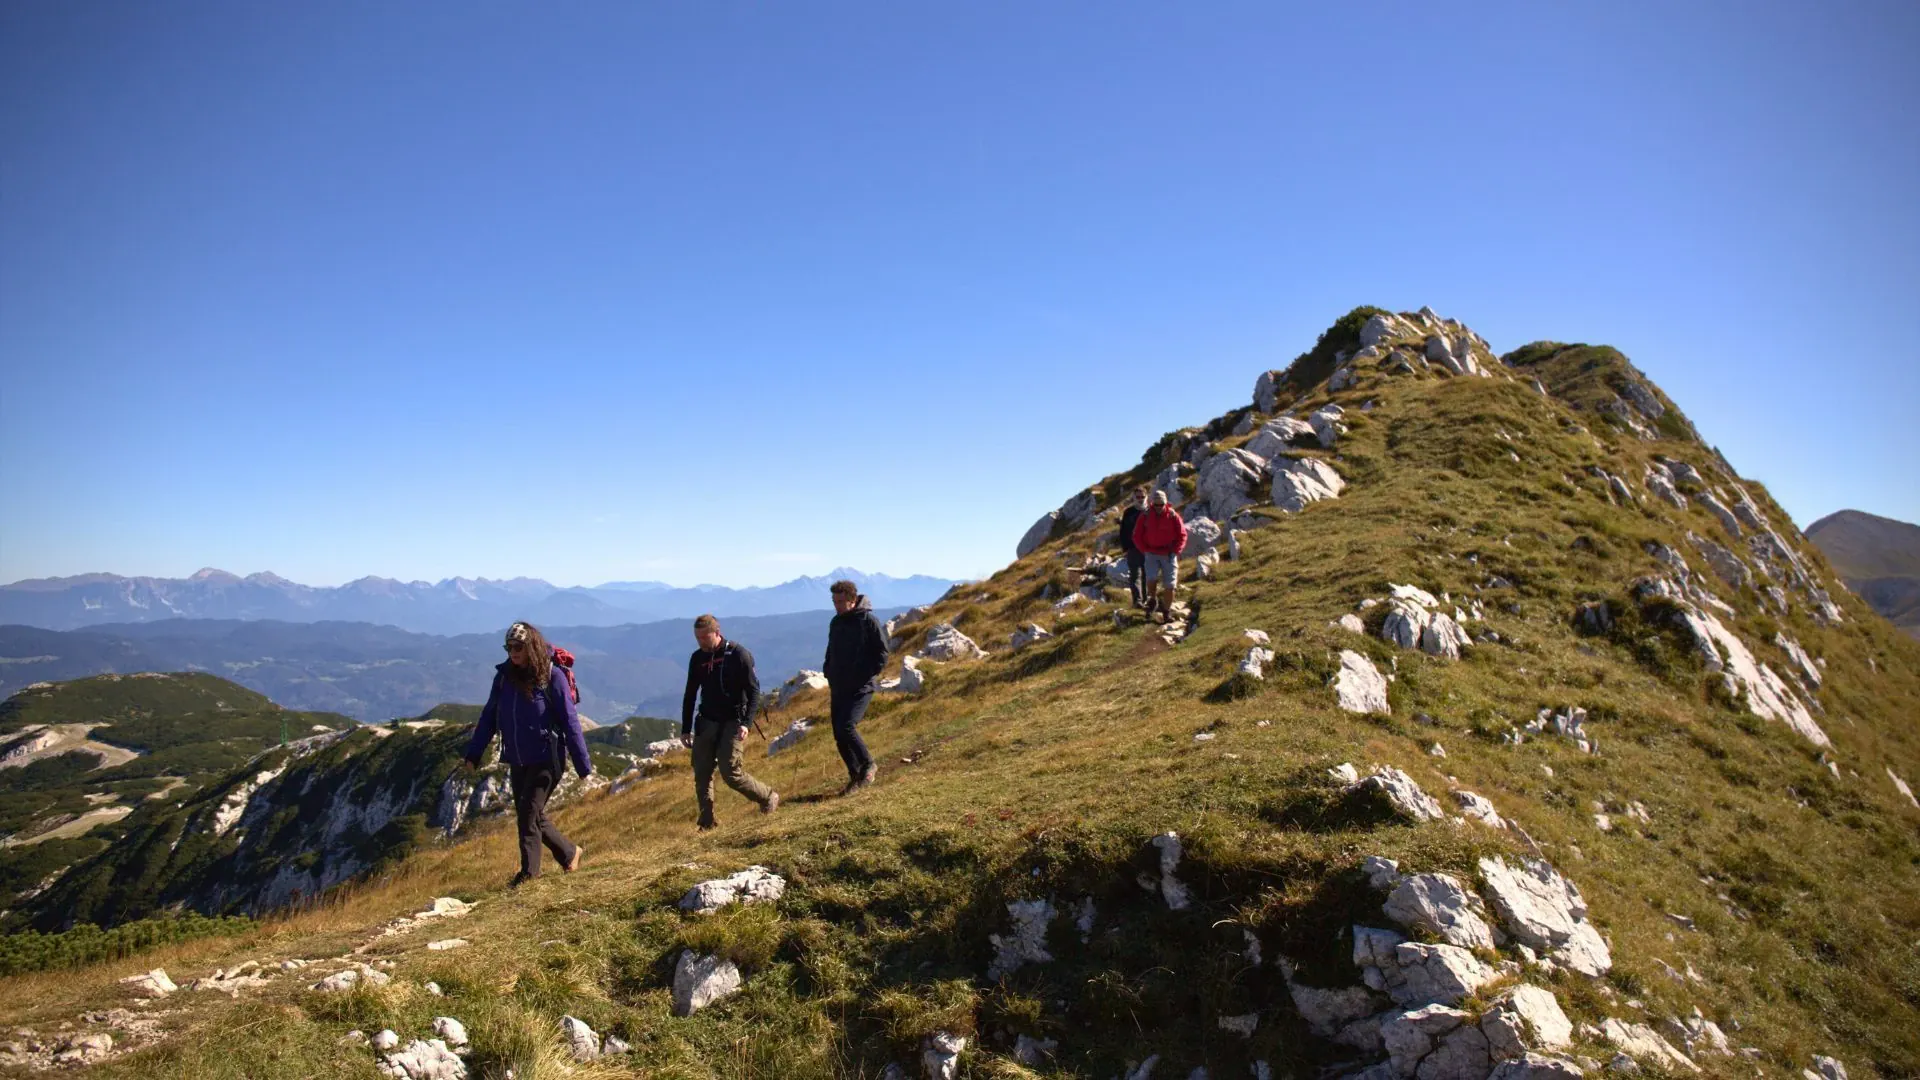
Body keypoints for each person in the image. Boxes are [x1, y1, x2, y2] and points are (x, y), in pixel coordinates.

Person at [463, 621, 590, 887]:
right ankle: (569, 853)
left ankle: (529, 875)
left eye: (518, 646)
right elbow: (489, 717)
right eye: (508, 647)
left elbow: (570, 720)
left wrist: (582, 764)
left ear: (530, 646)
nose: (512, 652)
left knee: (528, 813)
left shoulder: (552, 676)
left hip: (548, 757)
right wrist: (474, 754)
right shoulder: (504, 677)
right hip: (518, 758)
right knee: (531, 813)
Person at [680, 614, 779, 829]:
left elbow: (754, 692)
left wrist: (746, 722)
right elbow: (690, 693)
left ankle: (768, 797)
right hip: (706, 720)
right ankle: (707, 822)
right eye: (697, 638)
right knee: (702, 772)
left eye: (705, 637)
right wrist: (685, 728)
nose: (701, 642)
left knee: (730, 772)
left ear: (717, 632)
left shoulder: (738, 655)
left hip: (733, 721)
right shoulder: (698, 658)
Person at [823, 579, 888, 795]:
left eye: (841, 601)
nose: (837, 605)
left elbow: (882, 653)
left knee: (847, 726)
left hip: (860, 687)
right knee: (838, 733)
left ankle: (868, 764)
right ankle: (856, 776)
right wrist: (828, 670)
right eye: (834, 601)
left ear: (852, 600)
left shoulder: (868, 620)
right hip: (839, 686)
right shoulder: (836, 622)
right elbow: (831, 650)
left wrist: (864, 675)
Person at [1131, 489, 1189, 620]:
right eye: (1156, 504)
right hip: (1151, 553)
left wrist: (1176, 551)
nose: (1158, 507)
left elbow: (1182, 535)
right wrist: (1144, 549)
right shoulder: (1145, 515)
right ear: (1152, 503)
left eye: (1161, 504)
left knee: (1170, 586)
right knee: (1151, 579)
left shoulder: (1173, 516)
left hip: (1169, 554)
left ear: (1165, 503)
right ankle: (1153, 599)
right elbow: (1136, 535)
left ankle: (1166, 612)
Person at [1117, 486, 1149, 607]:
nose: (1140, 499)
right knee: (1135, 575)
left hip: (1148, 548)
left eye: (1142, 497)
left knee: (1147, 574)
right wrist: (1125, 548)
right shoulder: (1128, 512)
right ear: (1134, 498)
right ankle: (1138, 601)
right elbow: (1123, 531)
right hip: (1133, 548)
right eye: (1138, 497)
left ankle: (1146, 600)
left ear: (1146, 496)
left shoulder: (1151, 510)